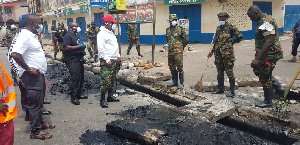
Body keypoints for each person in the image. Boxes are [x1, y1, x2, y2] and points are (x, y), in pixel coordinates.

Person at [10, 14, 54, 140]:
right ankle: (35, 131)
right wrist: (28, 70)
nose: (41, 26)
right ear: (32, 24)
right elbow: (15, 54)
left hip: (38, 75)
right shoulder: (24, 37)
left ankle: (40, 124)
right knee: (34, 104)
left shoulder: (32, 36)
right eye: (39, 23)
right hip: (32, 77)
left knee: (39, 102)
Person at [247, 5, 285, 108]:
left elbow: (269, 41)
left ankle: (268, 101)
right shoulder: (263, 20)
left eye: (251, 16)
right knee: (261, 71)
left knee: (264, 75)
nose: (251, 19)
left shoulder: (266, 22)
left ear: (256, 12)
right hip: (266, 53)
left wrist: (257, 59)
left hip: (270, 53)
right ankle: (279, 90)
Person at [207, 12, 243, 97]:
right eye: (219, 18)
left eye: (222, 18)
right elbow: (216, 41)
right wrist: (212, 51)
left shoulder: (231, 27)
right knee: (219, 71)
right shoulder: (219, 28)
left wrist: (231, 43)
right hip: (218, 53)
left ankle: (232, 91)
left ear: (226, 18)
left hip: (227, 54)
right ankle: (220, 89)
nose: (221, 20)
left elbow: (240, 36)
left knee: (229, 71)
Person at [97, 15, 121, 108]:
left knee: (112, 79)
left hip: (114, 59)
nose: (114, 25)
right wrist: (107, 59)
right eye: (112, 23)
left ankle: (110, 96)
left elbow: (114, 47)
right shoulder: (101, 34)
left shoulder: (111, 33)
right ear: (107, 23)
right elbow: (101, 48)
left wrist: (118, 56)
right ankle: (102, 100)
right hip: (107, 60)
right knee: (106, 80)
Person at [62, 22, 88, 105]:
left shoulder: (75, 36)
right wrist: (78, 47)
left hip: (78, 59)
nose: (78, 27)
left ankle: (78, 94)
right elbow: (66, 47)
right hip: (72, 60)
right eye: (77, 26)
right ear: (72, 28)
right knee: (75, 78)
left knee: (81, 78)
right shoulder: (67, 35)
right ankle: (73, 97)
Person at [166, 14, 189, 89]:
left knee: (179, 67)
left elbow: (186, 40)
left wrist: (181, 47)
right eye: (172, 20)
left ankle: (181, 83)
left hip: (178, 52)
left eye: (174, 20)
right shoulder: (168, 30)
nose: (173, 22)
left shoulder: (181, 29)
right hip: (170, 51)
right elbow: (168, 40)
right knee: (171, 66)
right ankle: (174, 82)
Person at [3, 19, 18, 86]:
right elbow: (4, 41)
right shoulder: (5, 31)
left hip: (19, 49)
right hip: (11, 50)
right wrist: (10, 46)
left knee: (20, 63)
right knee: (13, 64)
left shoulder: (16, 30)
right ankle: (15, 79)